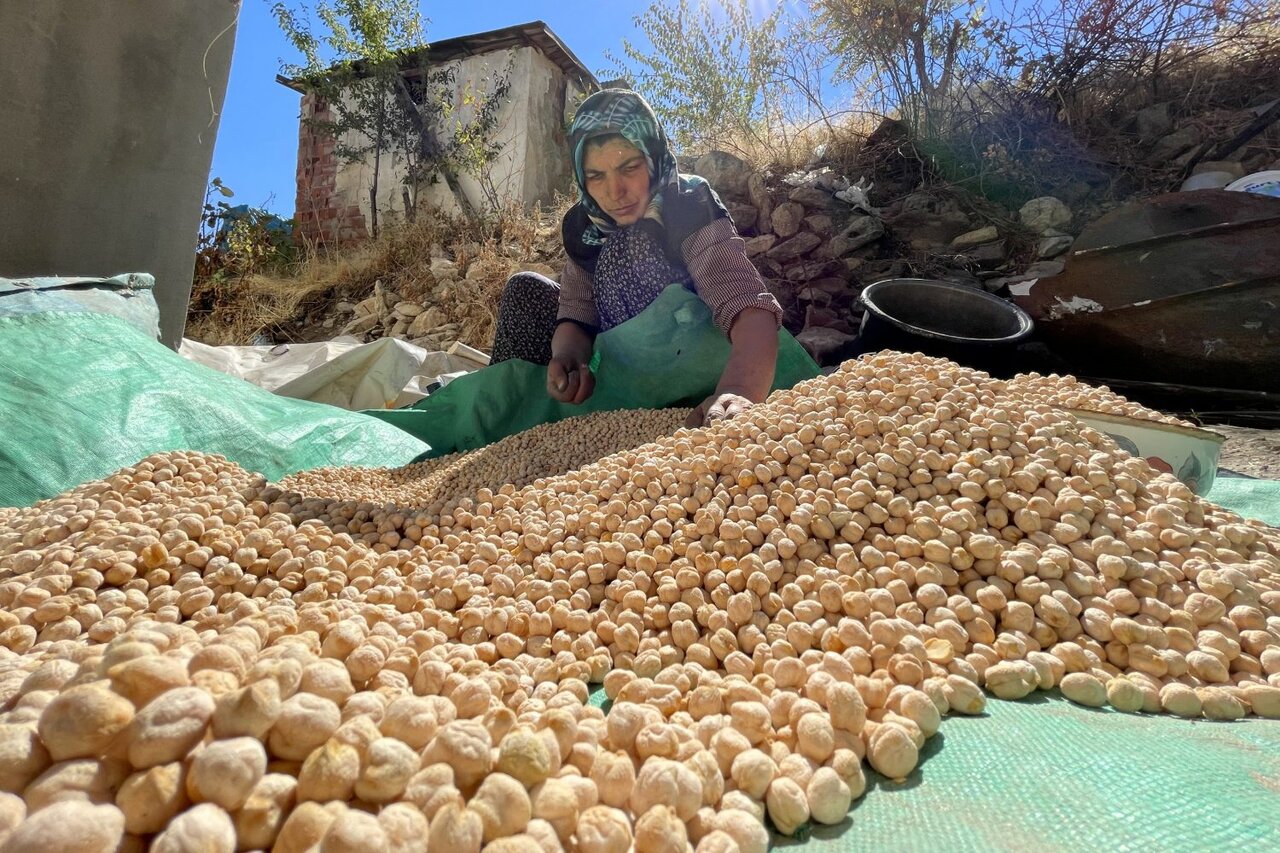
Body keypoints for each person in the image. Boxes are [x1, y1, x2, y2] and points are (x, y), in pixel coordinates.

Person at [490, 89, 783, 427]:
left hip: (710, 370)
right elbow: (577, 311)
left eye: (629, 167)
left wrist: (738, 390)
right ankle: (506, 420)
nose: (614, 192)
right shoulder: (586, 226)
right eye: (596, 176)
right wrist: (569, 358)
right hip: (631, 383)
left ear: (653, 155)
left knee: (636, 246)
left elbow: (746, 306)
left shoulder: (687, 202)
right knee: (524, 288)